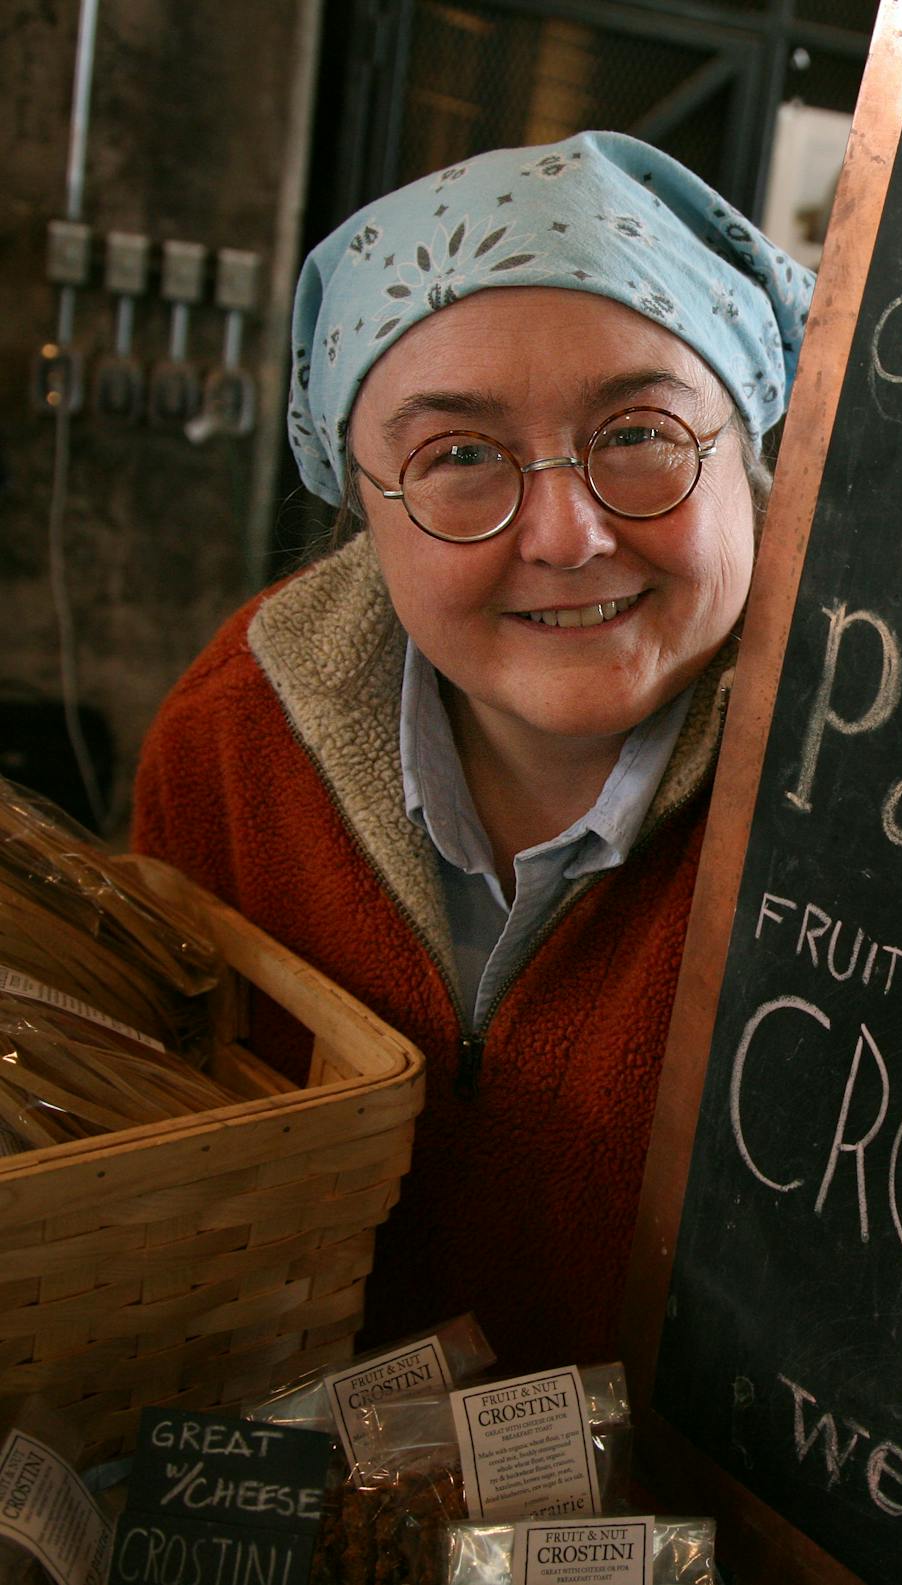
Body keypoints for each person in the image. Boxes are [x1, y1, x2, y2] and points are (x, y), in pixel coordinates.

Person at [130, 131, 815, 1370]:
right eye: (456, 457)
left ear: (754, 448)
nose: (568, 535)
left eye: (639, 432)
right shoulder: (230, 747)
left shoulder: (890, 789)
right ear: (361, 501)